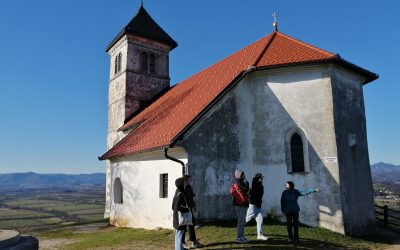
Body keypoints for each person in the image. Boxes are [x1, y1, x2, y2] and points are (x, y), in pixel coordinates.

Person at [245, 173, 268, 240]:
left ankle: (259, 235)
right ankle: (239, 230)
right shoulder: (254, 185)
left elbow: (260, 195)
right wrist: (257, 180)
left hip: (258, 206)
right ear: (258, 178)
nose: (262, 178)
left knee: (260, 220)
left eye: (262, 177)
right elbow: (254, 183)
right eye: (261, 177)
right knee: (246, 219)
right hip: (252, 206)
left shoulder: (261, 185)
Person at [230, 169, 250, 243]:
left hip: (243, 204)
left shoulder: (241, 182)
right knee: (240, 221)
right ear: (239, 175)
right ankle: (239, 237)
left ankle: (242, 236)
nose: (244, 176)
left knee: (243, 221)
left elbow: (245, 190)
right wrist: (247, 183)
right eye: (242, 174)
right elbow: (244, 191)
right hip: (240, 204)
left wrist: (246, 183)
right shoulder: (237, 183)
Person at [182, 175, 202, 249]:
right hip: (185, 209)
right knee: (183, 226)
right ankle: (182, 242)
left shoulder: (189, 188)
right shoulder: (183, 189)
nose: (191, 181)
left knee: (191, 224)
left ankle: (193, 241)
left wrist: (194, 206)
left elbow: (192, 198)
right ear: (186, 180)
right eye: (190, 180)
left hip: (189, 208)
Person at [172, 177, 190, 250]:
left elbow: (173, 207)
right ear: (182, 184)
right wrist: (186, 209)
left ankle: (181, 248)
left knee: (178, 234)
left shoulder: (177, 192)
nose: (186, 184)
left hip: (177, 218)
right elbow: (176, 207)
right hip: (180, 219)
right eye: (184, 183)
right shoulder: (180, 194)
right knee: (179, 235)